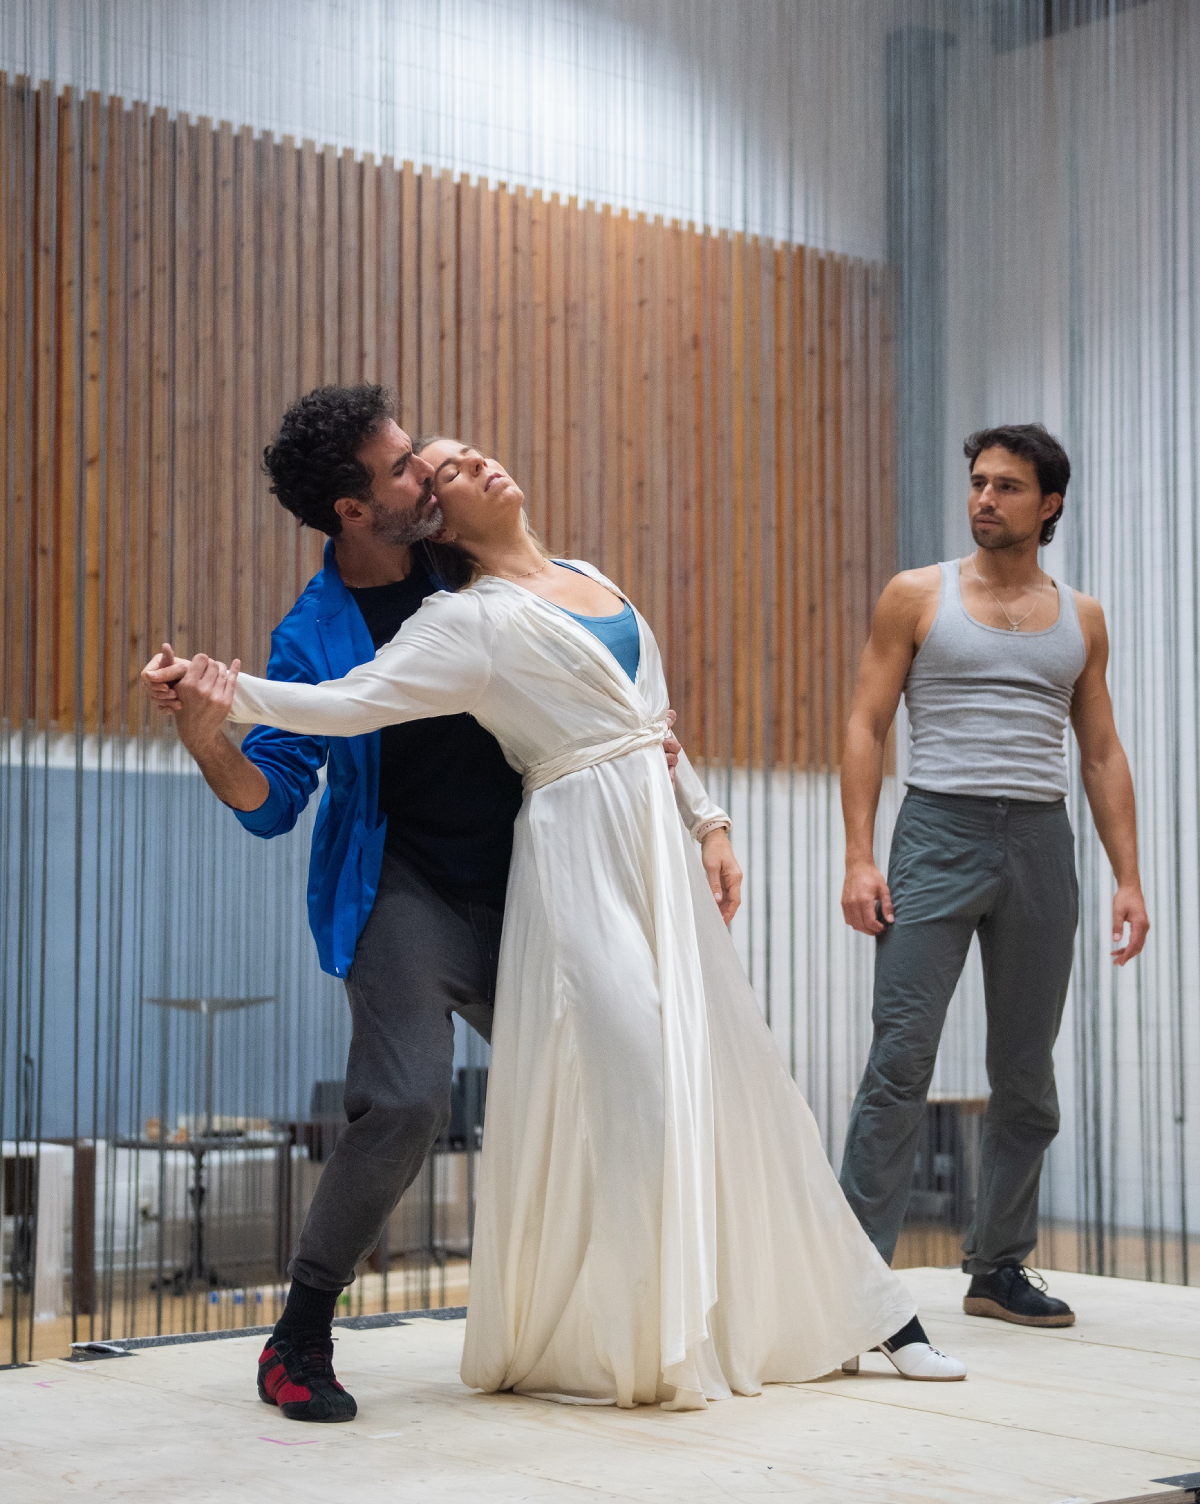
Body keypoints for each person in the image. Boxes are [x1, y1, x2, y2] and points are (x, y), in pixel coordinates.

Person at [150, 435, 966, 1410]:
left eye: (452, 455)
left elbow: (646, 719)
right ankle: (317, 1330)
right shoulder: (456, 620)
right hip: (515, 869)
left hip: (632, 858)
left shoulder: (589, 575)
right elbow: (343, 705)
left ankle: (858, 1306)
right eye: (434, 470)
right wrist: (218, 694)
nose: (463, 466)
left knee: (734, 1067)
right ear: (382, 510)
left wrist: (707, 819)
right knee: (543, 1085)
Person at [139, 386, 690, 1425]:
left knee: (625, 1068)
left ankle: (625, 1309)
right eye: (400, 468)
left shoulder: (468, 563)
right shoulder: (314, 633)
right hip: (405, 890)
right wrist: (212, 729)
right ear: (353, 507)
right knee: (403, 1100)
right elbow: (270, 802)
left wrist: (686, 798)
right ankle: (299, 1331)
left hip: (540, 877)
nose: (424, 475)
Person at [838, 423, 1150, 1330]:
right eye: (978, 483)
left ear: (1049, 503)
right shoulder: (916, 596)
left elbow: (1099, 750)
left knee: (1026, 1074)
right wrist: (861, 855)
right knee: (900, 1063)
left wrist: (1128, 877)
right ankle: (854, 1278)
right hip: (937, 829)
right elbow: (866, 724)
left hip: (1041, 843)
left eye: (1008, 487)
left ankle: (997, 1268)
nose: (985, 499)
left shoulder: (1082, 617)